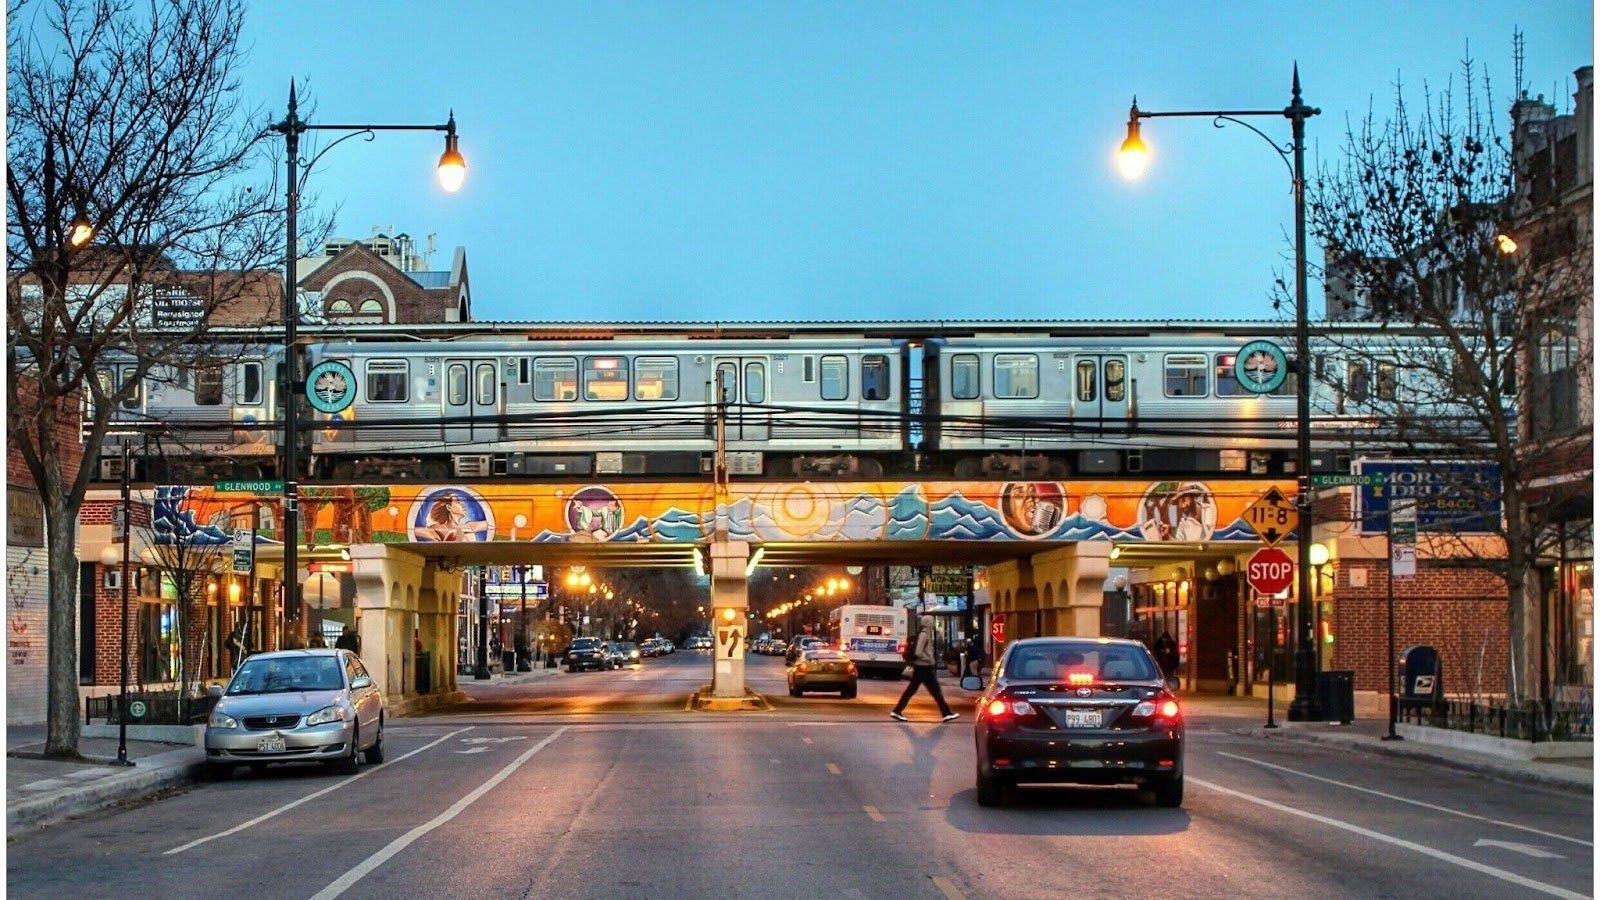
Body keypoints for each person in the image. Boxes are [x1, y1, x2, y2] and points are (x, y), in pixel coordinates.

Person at [890, 614, 958, 723]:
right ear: (927, 623)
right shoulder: (924, 635)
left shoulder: (925, 634)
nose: (932, 623)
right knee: (934, 691)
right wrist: (929, 659)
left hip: (921, 667)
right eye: (931, 621)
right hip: (924, 667)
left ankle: (897, 711)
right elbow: (918, 652)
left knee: (915, 690)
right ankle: (946, 713)